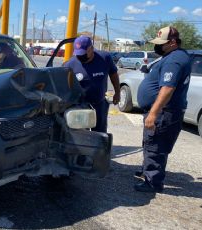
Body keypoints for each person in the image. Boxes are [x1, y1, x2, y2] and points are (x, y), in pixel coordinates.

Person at [134, 26, 191, 193]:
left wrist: (153, 113)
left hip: (164, 112)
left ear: (172, 42)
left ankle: (153, 182)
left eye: (162, 43)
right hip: (164, 112)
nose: (158, 46)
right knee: (151, 142)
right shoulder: (172, 56)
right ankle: (148, 171)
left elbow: (167, 88)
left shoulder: (174, 60)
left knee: (155, 145)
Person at [63, 35, 120, 133]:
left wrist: (117, 92)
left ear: (91, 48)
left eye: (83, 53)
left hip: (99, 103)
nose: (80, 56)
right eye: (78, 54)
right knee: (80, 134)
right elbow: (64, 86)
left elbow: (113, 74)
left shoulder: (105, 58)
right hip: (79, 106)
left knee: (100, 133)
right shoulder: (69, 65)